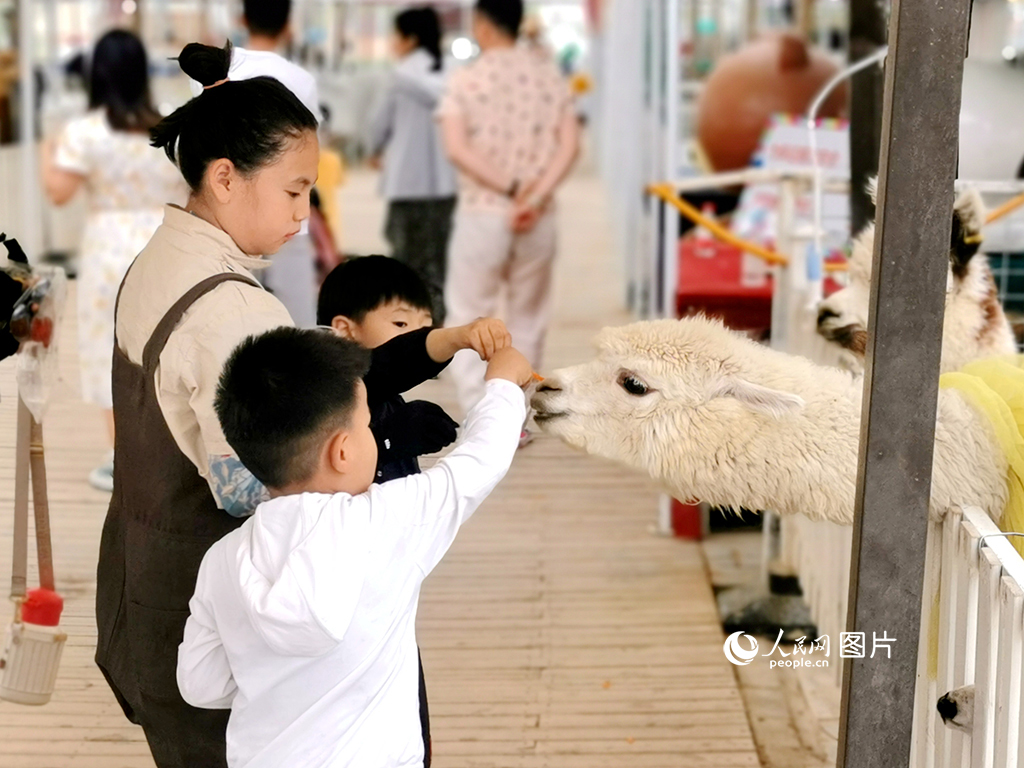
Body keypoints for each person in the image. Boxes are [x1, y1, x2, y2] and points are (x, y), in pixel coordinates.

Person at [94, 41, 320, 768]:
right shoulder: (238, 312)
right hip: (215, 638)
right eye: (293, 191)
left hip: (143, 596)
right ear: (225, 177)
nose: (305, 215)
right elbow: (257, 495)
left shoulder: (157, 258)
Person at [177, 327, 533, 768]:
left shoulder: (223, 560)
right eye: (367, 423)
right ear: (342, 452)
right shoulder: (387, 520)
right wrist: (503, 386)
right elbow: (479, 462)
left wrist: (276, 678)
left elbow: (200, 683)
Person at [40, 29, 188, 491]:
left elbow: (59, 194)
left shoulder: (84, 132)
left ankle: (125, 458)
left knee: (109, 350)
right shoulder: (169, 124)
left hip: (107, 250)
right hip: (164, 243)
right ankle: (174, 454)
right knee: (166, 345)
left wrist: (50, 149)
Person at [438, 0, 580, 437]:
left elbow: (458, 148)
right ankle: (515, 417)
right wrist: (533, 196)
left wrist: (509, 189)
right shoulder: (548, 77)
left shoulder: (466, 80)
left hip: (485, 211)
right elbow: (569, 145)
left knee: (468, 314)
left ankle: (482, 421)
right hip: (538, 215)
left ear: (481, 25)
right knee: (528, 316)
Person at [186, 0, 323, 326]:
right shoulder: (300, 79)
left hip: (227, 211)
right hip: (287, 212)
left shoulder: (214, 72)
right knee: (296, 316)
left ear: (242, 19)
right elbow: (308, 152)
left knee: (228, 311)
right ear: (288, 25)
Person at [368, 6, 457, 323]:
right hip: (446, 184)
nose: (393, 42)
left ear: (410, 39)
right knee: (438, 264)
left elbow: (379, 125)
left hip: (406, 184)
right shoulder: (452, 73)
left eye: (396, 35)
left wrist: (373, 149)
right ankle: (437, 334)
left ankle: (407, 334)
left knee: (405, 265)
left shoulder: (399, 77)